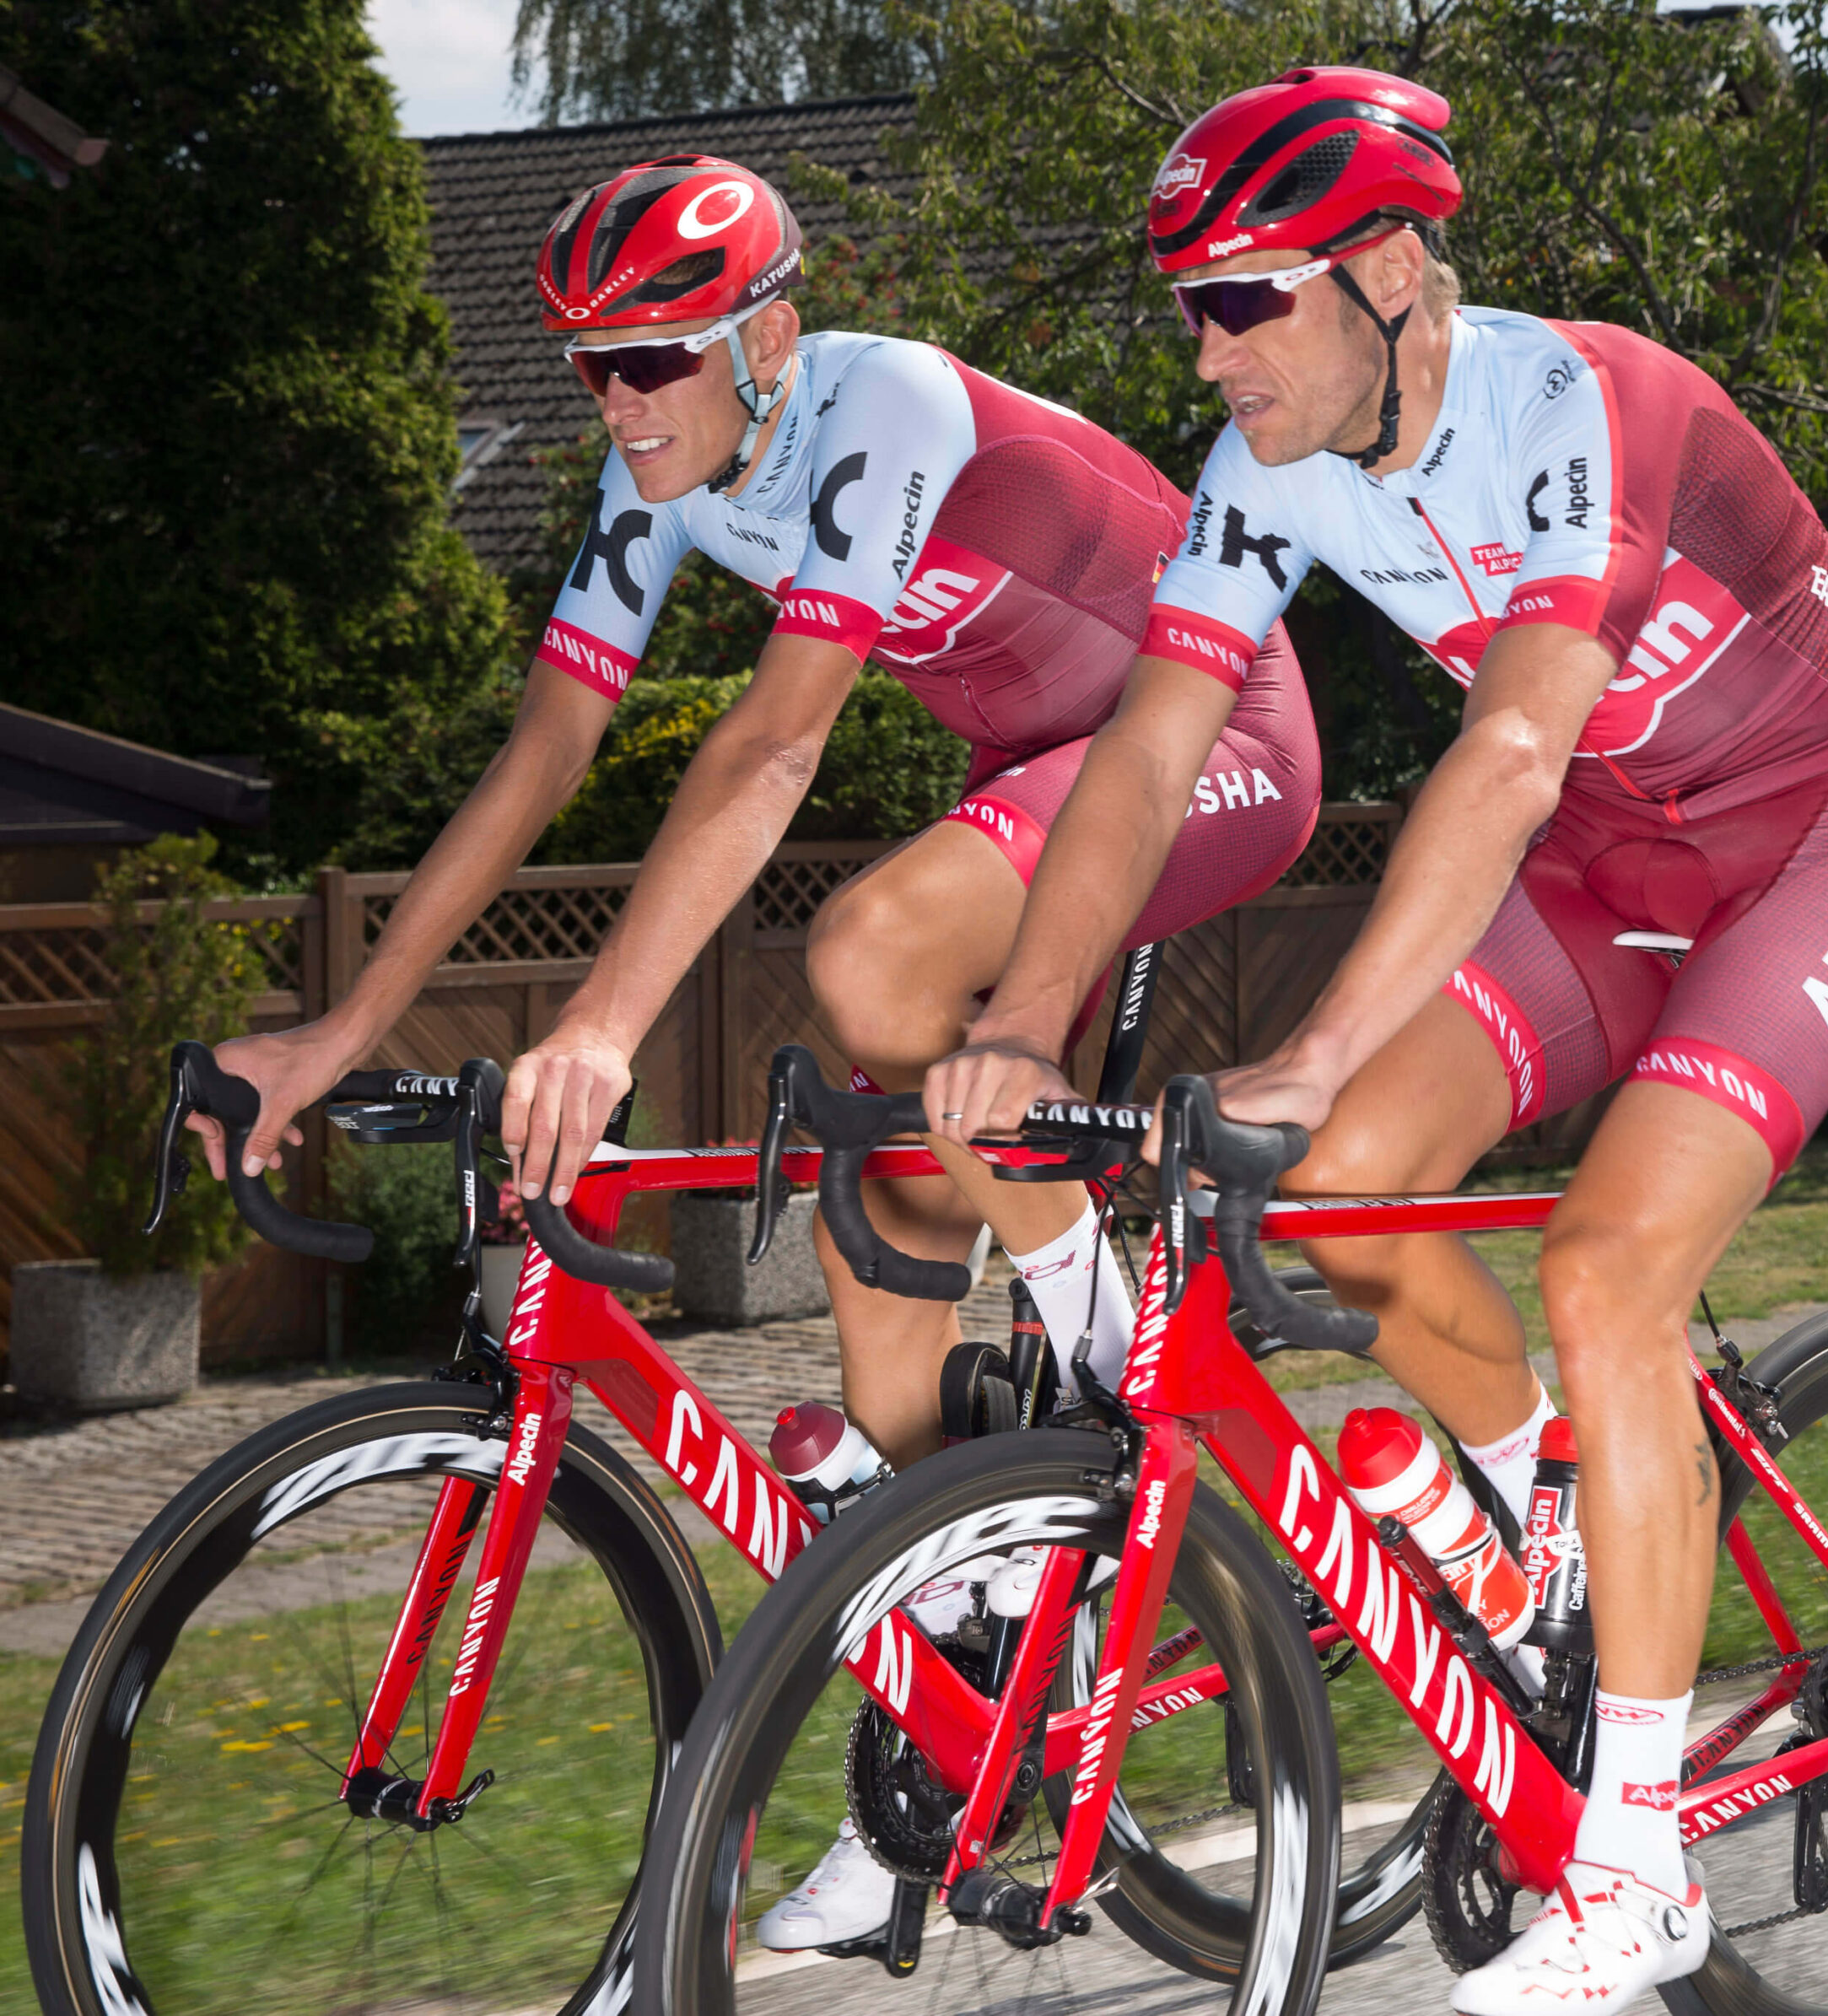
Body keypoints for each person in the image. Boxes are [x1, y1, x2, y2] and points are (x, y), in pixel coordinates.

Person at [191, 154, 1318, 1947]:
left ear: (767, 341)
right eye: (589, 364)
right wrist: (338, 1031)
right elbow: (545, 751)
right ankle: (942, 1707)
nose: (618, 399)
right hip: (1041, 779)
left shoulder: (880, 406)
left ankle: (1134, 1375)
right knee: (875, 1215)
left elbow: (778, 744)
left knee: (864, 947)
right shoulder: (657, 476)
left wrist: (601, 1026)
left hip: (1217, 737)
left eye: (654, 355)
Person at [925, 67, 1828, 2012]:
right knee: (1337, 1191)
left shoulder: (1580, 407)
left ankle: (1633, 1868)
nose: (1205, 350)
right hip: (1621, 854)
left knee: (1604, 1272)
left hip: (1818, 832)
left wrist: (1312, 1042)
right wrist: (1027, 1019)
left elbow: (1510, 747)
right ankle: (1553, 1547)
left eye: (1242, 301)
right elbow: (1145, 750)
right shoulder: (1263, 461)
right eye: (1188, 308)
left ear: (1386, 272)